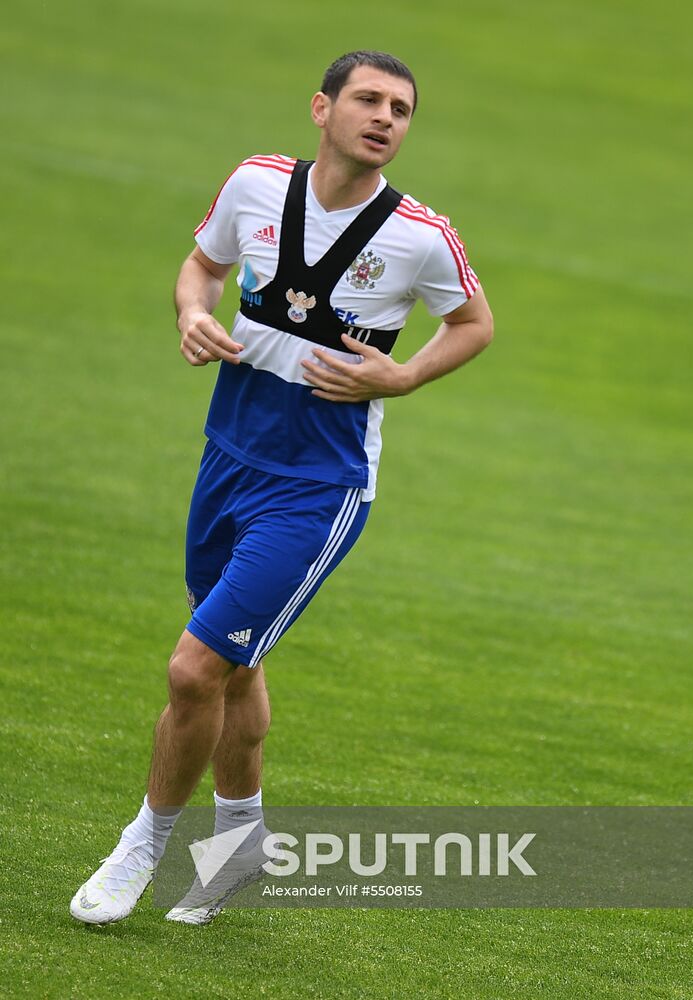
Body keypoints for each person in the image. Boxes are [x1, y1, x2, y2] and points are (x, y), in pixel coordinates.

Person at [70, 50, 493, 926]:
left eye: (402, 109)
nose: (385, 118)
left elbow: (474, 324)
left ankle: (141, 846)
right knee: (237, 661)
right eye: (369, 100)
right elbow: (203, 269)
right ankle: (242, 842)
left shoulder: (420, 235)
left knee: (195, 669)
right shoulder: (255, 183)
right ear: (321, 107)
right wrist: (192, 312)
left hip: (319, 485)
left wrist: (405, 377)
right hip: (225, 455)